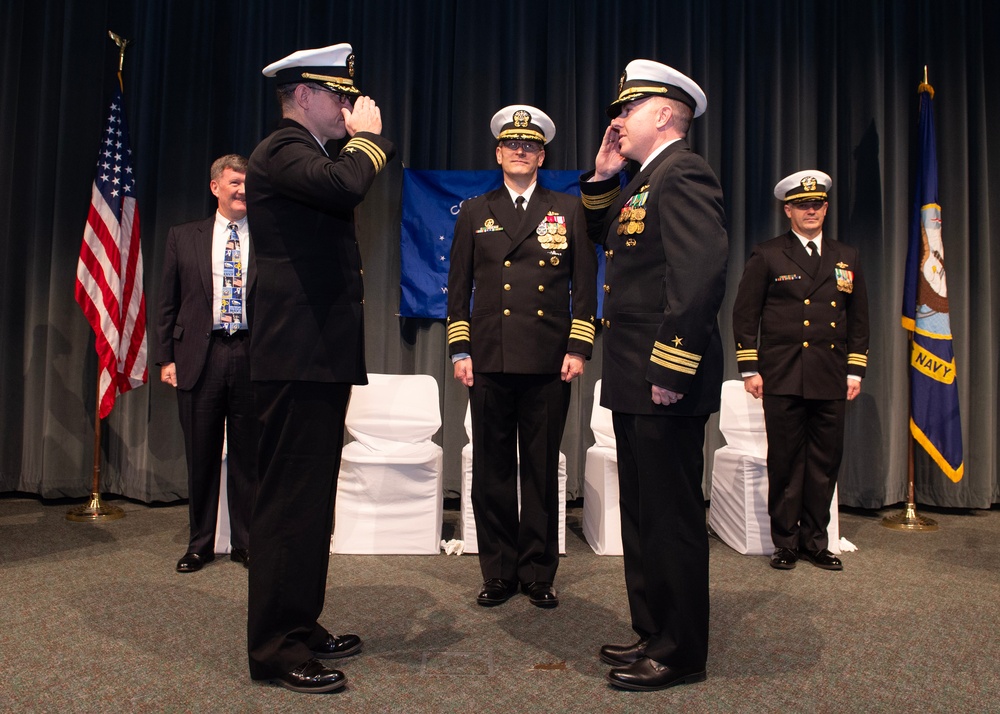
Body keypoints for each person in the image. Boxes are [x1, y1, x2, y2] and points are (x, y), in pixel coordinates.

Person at [244, 43, 395, 694]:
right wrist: (369, 141)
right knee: (288, 507)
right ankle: (277, 649)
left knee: (309, 507)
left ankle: (299, 625)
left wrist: (352, 144)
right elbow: (346, 185)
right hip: (295, 357)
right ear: (302, 95)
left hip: (315, 357)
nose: (348, 107)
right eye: (338, 96)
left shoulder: (307, 152)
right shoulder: (282, 149)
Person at [579, 60, 728, 691]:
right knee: (641, 513)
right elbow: (601, 237)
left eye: (628, 110)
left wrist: (671, 363)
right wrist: (604, 177)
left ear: (664, 114)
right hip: (634, 373)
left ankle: (681, 650)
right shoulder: (644, 180)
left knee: (670, 516)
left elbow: (698, 278)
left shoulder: (684, 172)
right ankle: (652, 630)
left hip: (662, 374)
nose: (617, 120)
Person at [447, 105, 597, 610]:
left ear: (541, 156)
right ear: (498, 153)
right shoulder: (474, 210)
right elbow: (458, 289)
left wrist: (579, 346)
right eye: (512, 145)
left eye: (529, 146)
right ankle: (497, 571)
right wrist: (460, 348)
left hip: (549, 361)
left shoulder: (568, 209)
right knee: (491, 471)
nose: (520, 151)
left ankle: (537, 572)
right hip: (488, 359)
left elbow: (583, 286)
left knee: (539, 470)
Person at [732, 170, 869, 572]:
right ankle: (786, 542)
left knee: (824, 462)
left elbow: (859, 320)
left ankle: (816, 541)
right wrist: (749, 368)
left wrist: (854, 371)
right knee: (786, 461)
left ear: (825, 208)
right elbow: (745, 315)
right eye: (803, 205)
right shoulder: (769, 254)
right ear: (788, 210)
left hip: (829, 374)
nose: (811, 211)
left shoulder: (847, 256)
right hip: (783, 374)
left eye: (818, 204)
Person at [155, 154, 256, 574]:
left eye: (248, 183)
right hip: (200, 355)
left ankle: (247, 543)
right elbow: (168, 303)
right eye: (234, 182)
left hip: (253, 355)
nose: (242, 190)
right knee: (201, 455)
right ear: (215, 187)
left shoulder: (269, 236)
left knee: (250, 457)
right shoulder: (185, 236)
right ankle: (200, 544)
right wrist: (165, 358)